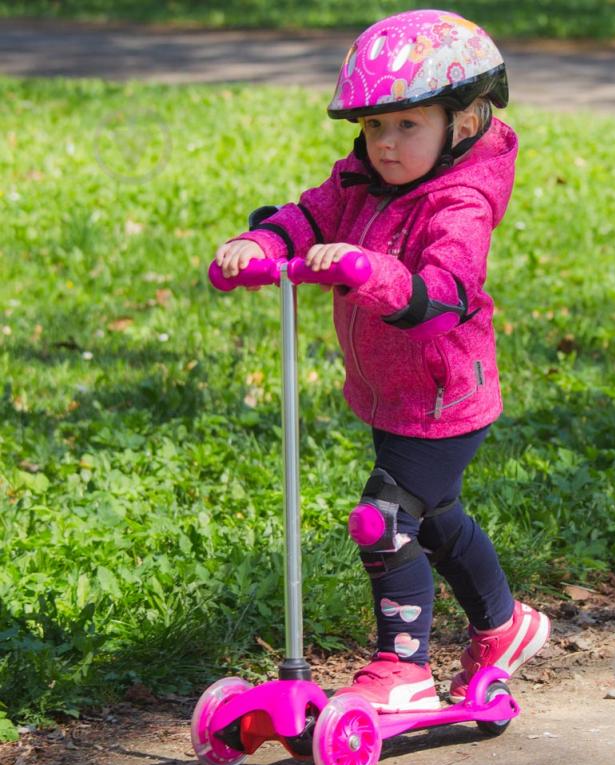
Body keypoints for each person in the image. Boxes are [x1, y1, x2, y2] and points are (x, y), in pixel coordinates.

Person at [214, 9, 550, 710]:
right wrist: (264, 246)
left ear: (463, 123)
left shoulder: (459, 201)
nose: (387, 145)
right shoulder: (362, 180)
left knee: (382, 518)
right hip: (392, 396)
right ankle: (503, 624)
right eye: (373, 127)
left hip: (444, 394)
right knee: (436, 518)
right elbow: (309, 214)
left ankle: (405, 666)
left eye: (408, 125)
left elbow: (445, 291)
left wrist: (372, 272)